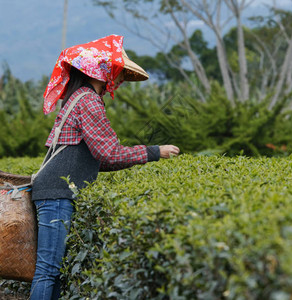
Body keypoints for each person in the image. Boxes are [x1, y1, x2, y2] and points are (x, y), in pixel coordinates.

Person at [30, 35, 180, 300]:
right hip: (57, 194)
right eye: (117, 72)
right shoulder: (87, 100)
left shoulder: (79, 97)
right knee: (48, 270)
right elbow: (109, 153)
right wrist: (156, 151)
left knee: (53, 271)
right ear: (100, 71)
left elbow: (101, 159)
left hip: (55, 191)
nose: (119, 79)